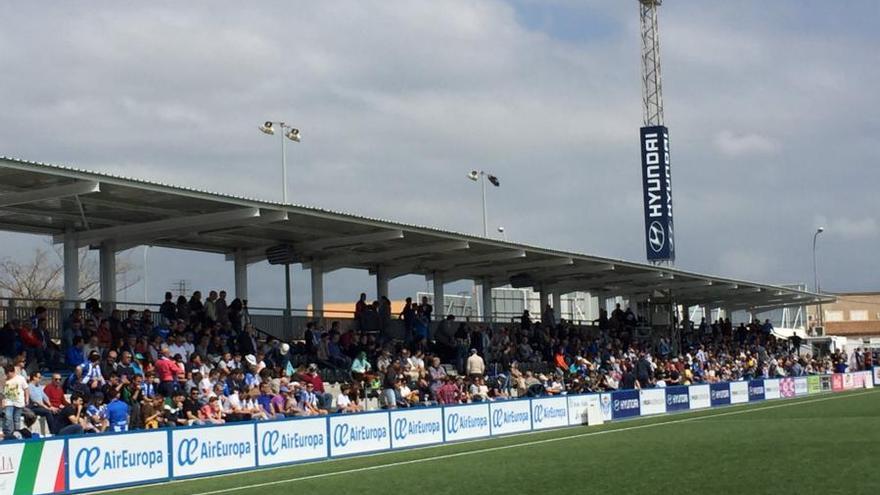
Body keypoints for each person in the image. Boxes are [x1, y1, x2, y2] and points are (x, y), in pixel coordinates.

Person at [3, 364, 29, 437]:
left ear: (12, 372)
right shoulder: (5, 380)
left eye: (8, 373)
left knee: (16, 419)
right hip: (8, 401)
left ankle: (16, 433)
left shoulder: (20, 378)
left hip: (19, 401)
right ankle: (9, 433)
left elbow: (26, 389)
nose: (7, 375)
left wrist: (27, 399)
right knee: (8, 417)